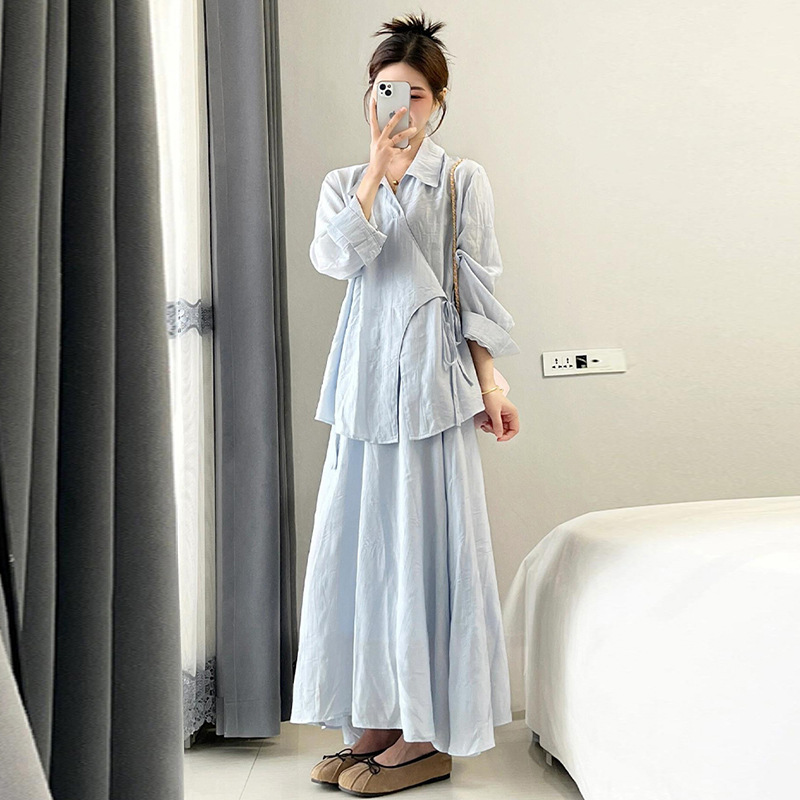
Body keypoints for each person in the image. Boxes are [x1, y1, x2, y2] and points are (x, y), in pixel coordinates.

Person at [289, 12, 521, 797]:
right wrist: (375, 176)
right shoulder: (343, 186)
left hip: (430, 390)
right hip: (362, 391)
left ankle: (424, 736)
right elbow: (333, 260)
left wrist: (492, 385)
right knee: (364, 557)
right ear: (370, 98)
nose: (402, 107)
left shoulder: (461, 182)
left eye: (416, 94)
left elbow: (474, 292)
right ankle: (378, 723)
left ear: (438, 101)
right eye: (388, 91)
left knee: (422, 557)